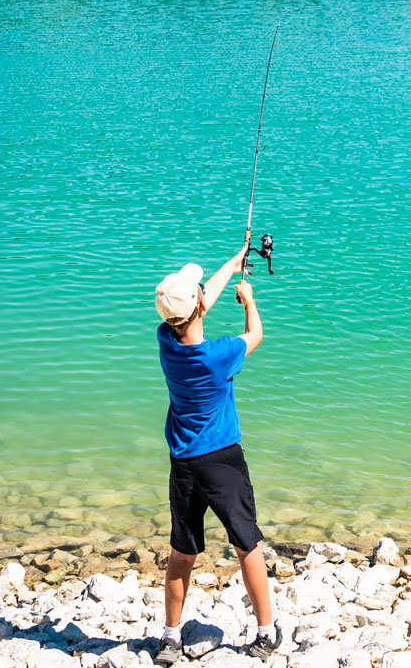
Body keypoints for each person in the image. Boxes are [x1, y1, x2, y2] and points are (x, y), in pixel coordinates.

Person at [152, 243, 281, 664]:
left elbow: (198, 300)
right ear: (202, 306)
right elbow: (256, 335)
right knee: (248, 545)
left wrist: (236, 259)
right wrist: (250, 302)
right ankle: (267, 631)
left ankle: (170, 637)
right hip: (223, 461)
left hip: (183, 465)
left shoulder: (166, 342)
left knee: (182, 552)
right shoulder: (218, 356)